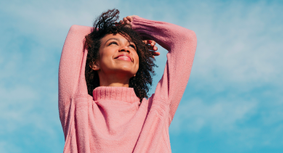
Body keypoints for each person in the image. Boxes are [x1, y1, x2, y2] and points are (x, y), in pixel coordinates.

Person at [59, 9, 197, 153]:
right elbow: (76, 33)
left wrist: (139, 26)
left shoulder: (155, 111)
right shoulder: (77, 107)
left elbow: (186, 39)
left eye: (132, 46)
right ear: (95, 63)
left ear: (138, 65)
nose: (125, 48)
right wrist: (121, 30)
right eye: (113, 43)